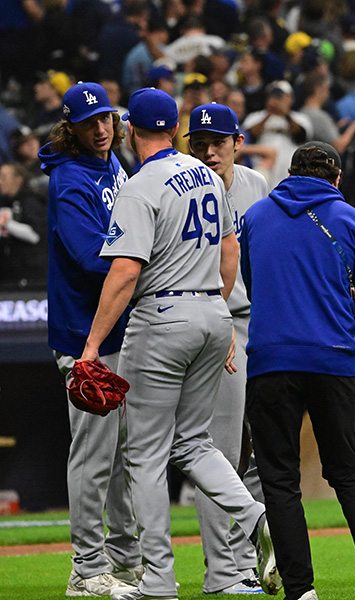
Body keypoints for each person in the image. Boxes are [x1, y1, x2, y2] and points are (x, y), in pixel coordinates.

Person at [78, 88, 279, 600]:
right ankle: (255, 516)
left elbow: (125, 272)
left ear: (129, 129)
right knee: (194, 443)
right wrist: (220, 310)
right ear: (173, 130)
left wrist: (93, 345)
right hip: (214, 312)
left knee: (145, 455)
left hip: (162, 314)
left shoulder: (139, 186)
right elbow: (230, 250)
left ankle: (159, 580)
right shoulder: (208, 177)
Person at [240, 141, 355, 600]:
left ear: (289, 174)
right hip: (333, 359)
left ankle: (301, 590)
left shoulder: (255, 217)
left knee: (280, 479)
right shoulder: (354, 221)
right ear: (336, 178)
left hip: (271, 360)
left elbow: (253, 286)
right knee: (347, 472)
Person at [38, 81, 142, 598]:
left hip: (118, 328)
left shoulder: (112, 164)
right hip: (85, 335)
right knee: (94, 455)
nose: (100, 129)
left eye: (105, 118)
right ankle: (85, 569)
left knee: (123, 455)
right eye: (88, 123)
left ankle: (125, 562)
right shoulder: (69, 177)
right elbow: (87, 256)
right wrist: (145, 261)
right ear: (71, 129)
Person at [185, 102, 270, 595]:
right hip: (211, 323)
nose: (209, 151)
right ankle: (221, 569)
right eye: (200, 143)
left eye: (218, 142)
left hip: (256, 323)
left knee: (261, 452)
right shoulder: (183, 186)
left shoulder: (256, 184)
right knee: (218, 451)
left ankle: (242, 559)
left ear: (238, 143)